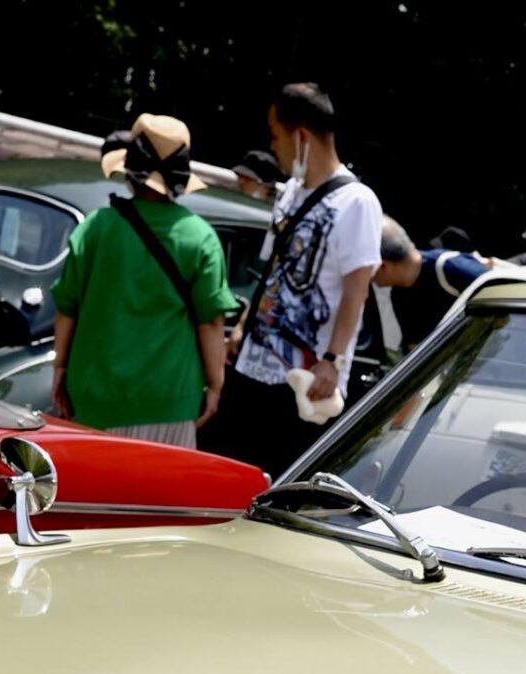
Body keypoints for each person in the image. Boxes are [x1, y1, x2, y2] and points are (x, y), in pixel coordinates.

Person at [207, 82, 383, 474]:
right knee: (232, 472)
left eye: (276, 136)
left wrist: (333, 361)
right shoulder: (289, 193)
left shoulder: (357, 202)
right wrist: (244, 325)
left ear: (302, 137)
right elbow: (273, 269)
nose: (273, 147)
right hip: (251, 363)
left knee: (277, 479)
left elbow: (356, 292)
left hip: (303, 379)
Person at [45, 113, 238, 446]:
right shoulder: (200, 237)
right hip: (170, 402)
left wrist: (60, 368)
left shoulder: (96, 227)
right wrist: (215, 384)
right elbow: (211, 324)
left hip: (93, 398)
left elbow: (67, 310)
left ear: (129, 172)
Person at [372, 217, 491, 349]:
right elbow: (417, 348)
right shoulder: (399, 293)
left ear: (383, 266)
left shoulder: (452, 268)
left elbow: (502, 297)